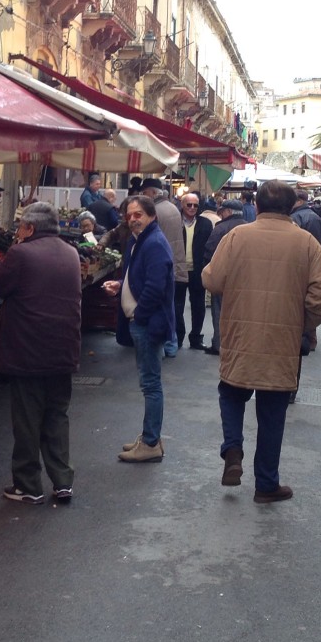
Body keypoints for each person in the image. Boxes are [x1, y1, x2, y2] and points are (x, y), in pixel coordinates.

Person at [201, 180, 321, 502]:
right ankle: (266, 484)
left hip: (239, 335)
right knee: (272, 412)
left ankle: (232, 450)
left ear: (257, 206)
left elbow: (212, 279)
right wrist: (301, 322)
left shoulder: (237, 236)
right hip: (282, 341)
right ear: (291, 208)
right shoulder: (306, 243)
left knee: (232, 392)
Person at [0, 202, 82, 504]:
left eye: (20, 227)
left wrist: (13, 247)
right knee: (56, 415)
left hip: (29, 350)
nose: (17, 232)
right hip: (63, 348)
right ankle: (62, 480)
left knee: (28, 419)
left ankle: (28, 485)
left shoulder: (21, 253)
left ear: (30, 228)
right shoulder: (71, 252)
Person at [103, 195, 176, 463]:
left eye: (138, 214)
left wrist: (140, 315)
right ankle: (149, 436)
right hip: (142, 321)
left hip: (147, 324)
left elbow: (156, 287)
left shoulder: (154, 243)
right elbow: (140, 276)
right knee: (149, 383)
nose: (133, 219)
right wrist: (121, 285)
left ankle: (150, 442)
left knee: (150, 384)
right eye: (129, 214)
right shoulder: (139, 240)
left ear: (152, 216)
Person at [140, 178, 183, 357]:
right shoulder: (173, 207)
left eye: (144, 193)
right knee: (170, 305)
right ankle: (172, 344)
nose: (142, 196)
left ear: (151, 192)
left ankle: (165, 343)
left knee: (161, 305)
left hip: (160, 262)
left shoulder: (155, 211)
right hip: (173, 261)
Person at [202, 199, 246, 355]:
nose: (220, 214)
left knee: (219, 312)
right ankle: (237, 344)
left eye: (222, 211)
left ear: (228, 212)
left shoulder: (220, 228)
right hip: (244, 279)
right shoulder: (249, 228)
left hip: (224, 278)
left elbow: (209, 252)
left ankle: (219, 344)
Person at [174, 191, 213, 350]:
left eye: (195, 205)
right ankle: (178, 336)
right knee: (177, 306)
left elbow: (209, 246)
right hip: (178, 269)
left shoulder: (205, 223)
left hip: (197, 270)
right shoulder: (175, 221)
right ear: (182, 205)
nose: (192, 208)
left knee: (198, 306)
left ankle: (196, 338)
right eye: (189, 204)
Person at [291, 189, 321, 352]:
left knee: (298, 302)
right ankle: (311, 337)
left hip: (299, 263)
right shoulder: (315, 216)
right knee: (309, 300)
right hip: (314, 262)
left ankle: (304, 337)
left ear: (298, 201)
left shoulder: (296, 217)